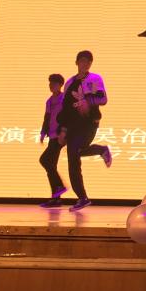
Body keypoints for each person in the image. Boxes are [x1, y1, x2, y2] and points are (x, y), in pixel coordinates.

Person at [57, 51, 112, 211]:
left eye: (88, 61)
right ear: (77, 62)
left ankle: (82, 197)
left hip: (89, 123)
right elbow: (65, 108)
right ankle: (82, 197)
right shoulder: (70, 82)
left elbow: (103, 99)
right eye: (82, 60)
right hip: (73, 125)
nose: (85, 64)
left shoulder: (95, 78)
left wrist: (88, 102)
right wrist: (63, 130)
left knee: (75, 153)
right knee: (73, 157)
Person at [38, 73, 68, 207]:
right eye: (50, 83)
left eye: (54, 83)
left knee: (44, 160)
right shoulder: (49, 101)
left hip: (60, 136)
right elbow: (47, 117)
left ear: (60, 85)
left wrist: (64, 132)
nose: (51, 85)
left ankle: (59, 187)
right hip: (52, 136)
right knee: (51, 166)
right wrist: (43, 132)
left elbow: (67, 116)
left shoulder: (64, 99)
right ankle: (56, 198)